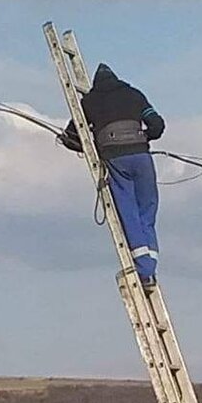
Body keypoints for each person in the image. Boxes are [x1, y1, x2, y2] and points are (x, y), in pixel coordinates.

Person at [60, 63, 166, 292]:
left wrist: (94, 143)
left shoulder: (89, 102)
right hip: (141, 157)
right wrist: (143, 136)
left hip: (115, 161)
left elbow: (70, 137)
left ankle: (144, 270)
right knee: (147, 211)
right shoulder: (134, 94)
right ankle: (151, 269)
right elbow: (157, 125)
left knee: (128, 212)